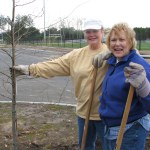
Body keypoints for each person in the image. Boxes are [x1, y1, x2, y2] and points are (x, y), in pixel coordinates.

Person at [13, 19, 110, 150]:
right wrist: (29, 69)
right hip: (83, 112)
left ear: (102, 32)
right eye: (88, 31)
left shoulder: (112, 52)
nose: (91, 34)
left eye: (95, 31)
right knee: (85, 146)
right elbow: (54, 65)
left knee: (109, 147)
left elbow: (131, 54)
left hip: (105, 114)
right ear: (84, 34)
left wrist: (111, 55)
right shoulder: (76, 55)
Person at [93, 22, 150, 150]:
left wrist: (144, 87)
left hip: (130, 130)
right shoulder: (113, 61)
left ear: (130, 42)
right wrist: (107, 57)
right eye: (113, 40)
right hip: (110, 127)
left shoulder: (138, 67)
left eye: (121, 39)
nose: (117, 44)